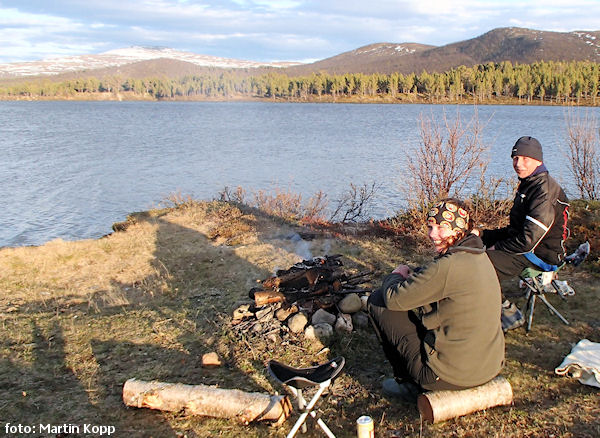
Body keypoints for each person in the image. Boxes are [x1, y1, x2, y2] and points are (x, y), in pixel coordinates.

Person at [367, 198, 505, 402]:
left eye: (441, 227)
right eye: (431, 227)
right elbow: (433, 280)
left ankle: (407, 382)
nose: (433, 234)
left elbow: (394, 299)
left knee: (379, 300)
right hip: (490, 366)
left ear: (459, 229)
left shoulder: (448, 266)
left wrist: (395, 275)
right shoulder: (479, 256)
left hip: (450, 376)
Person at [480, 136, 570, 331]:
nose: (518, 164)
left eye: (525, 159)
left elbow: (528, 240)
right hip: (529, 247)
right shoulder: (530, 182)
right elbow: (516, 231)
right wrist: (483, 235)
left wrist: (497, 247)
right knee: (473, 246)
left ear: (538, 160)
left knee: (479, 266)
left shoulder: (543, 191)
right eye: (515, 158)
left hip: (541, 254)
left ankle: (508, 314)